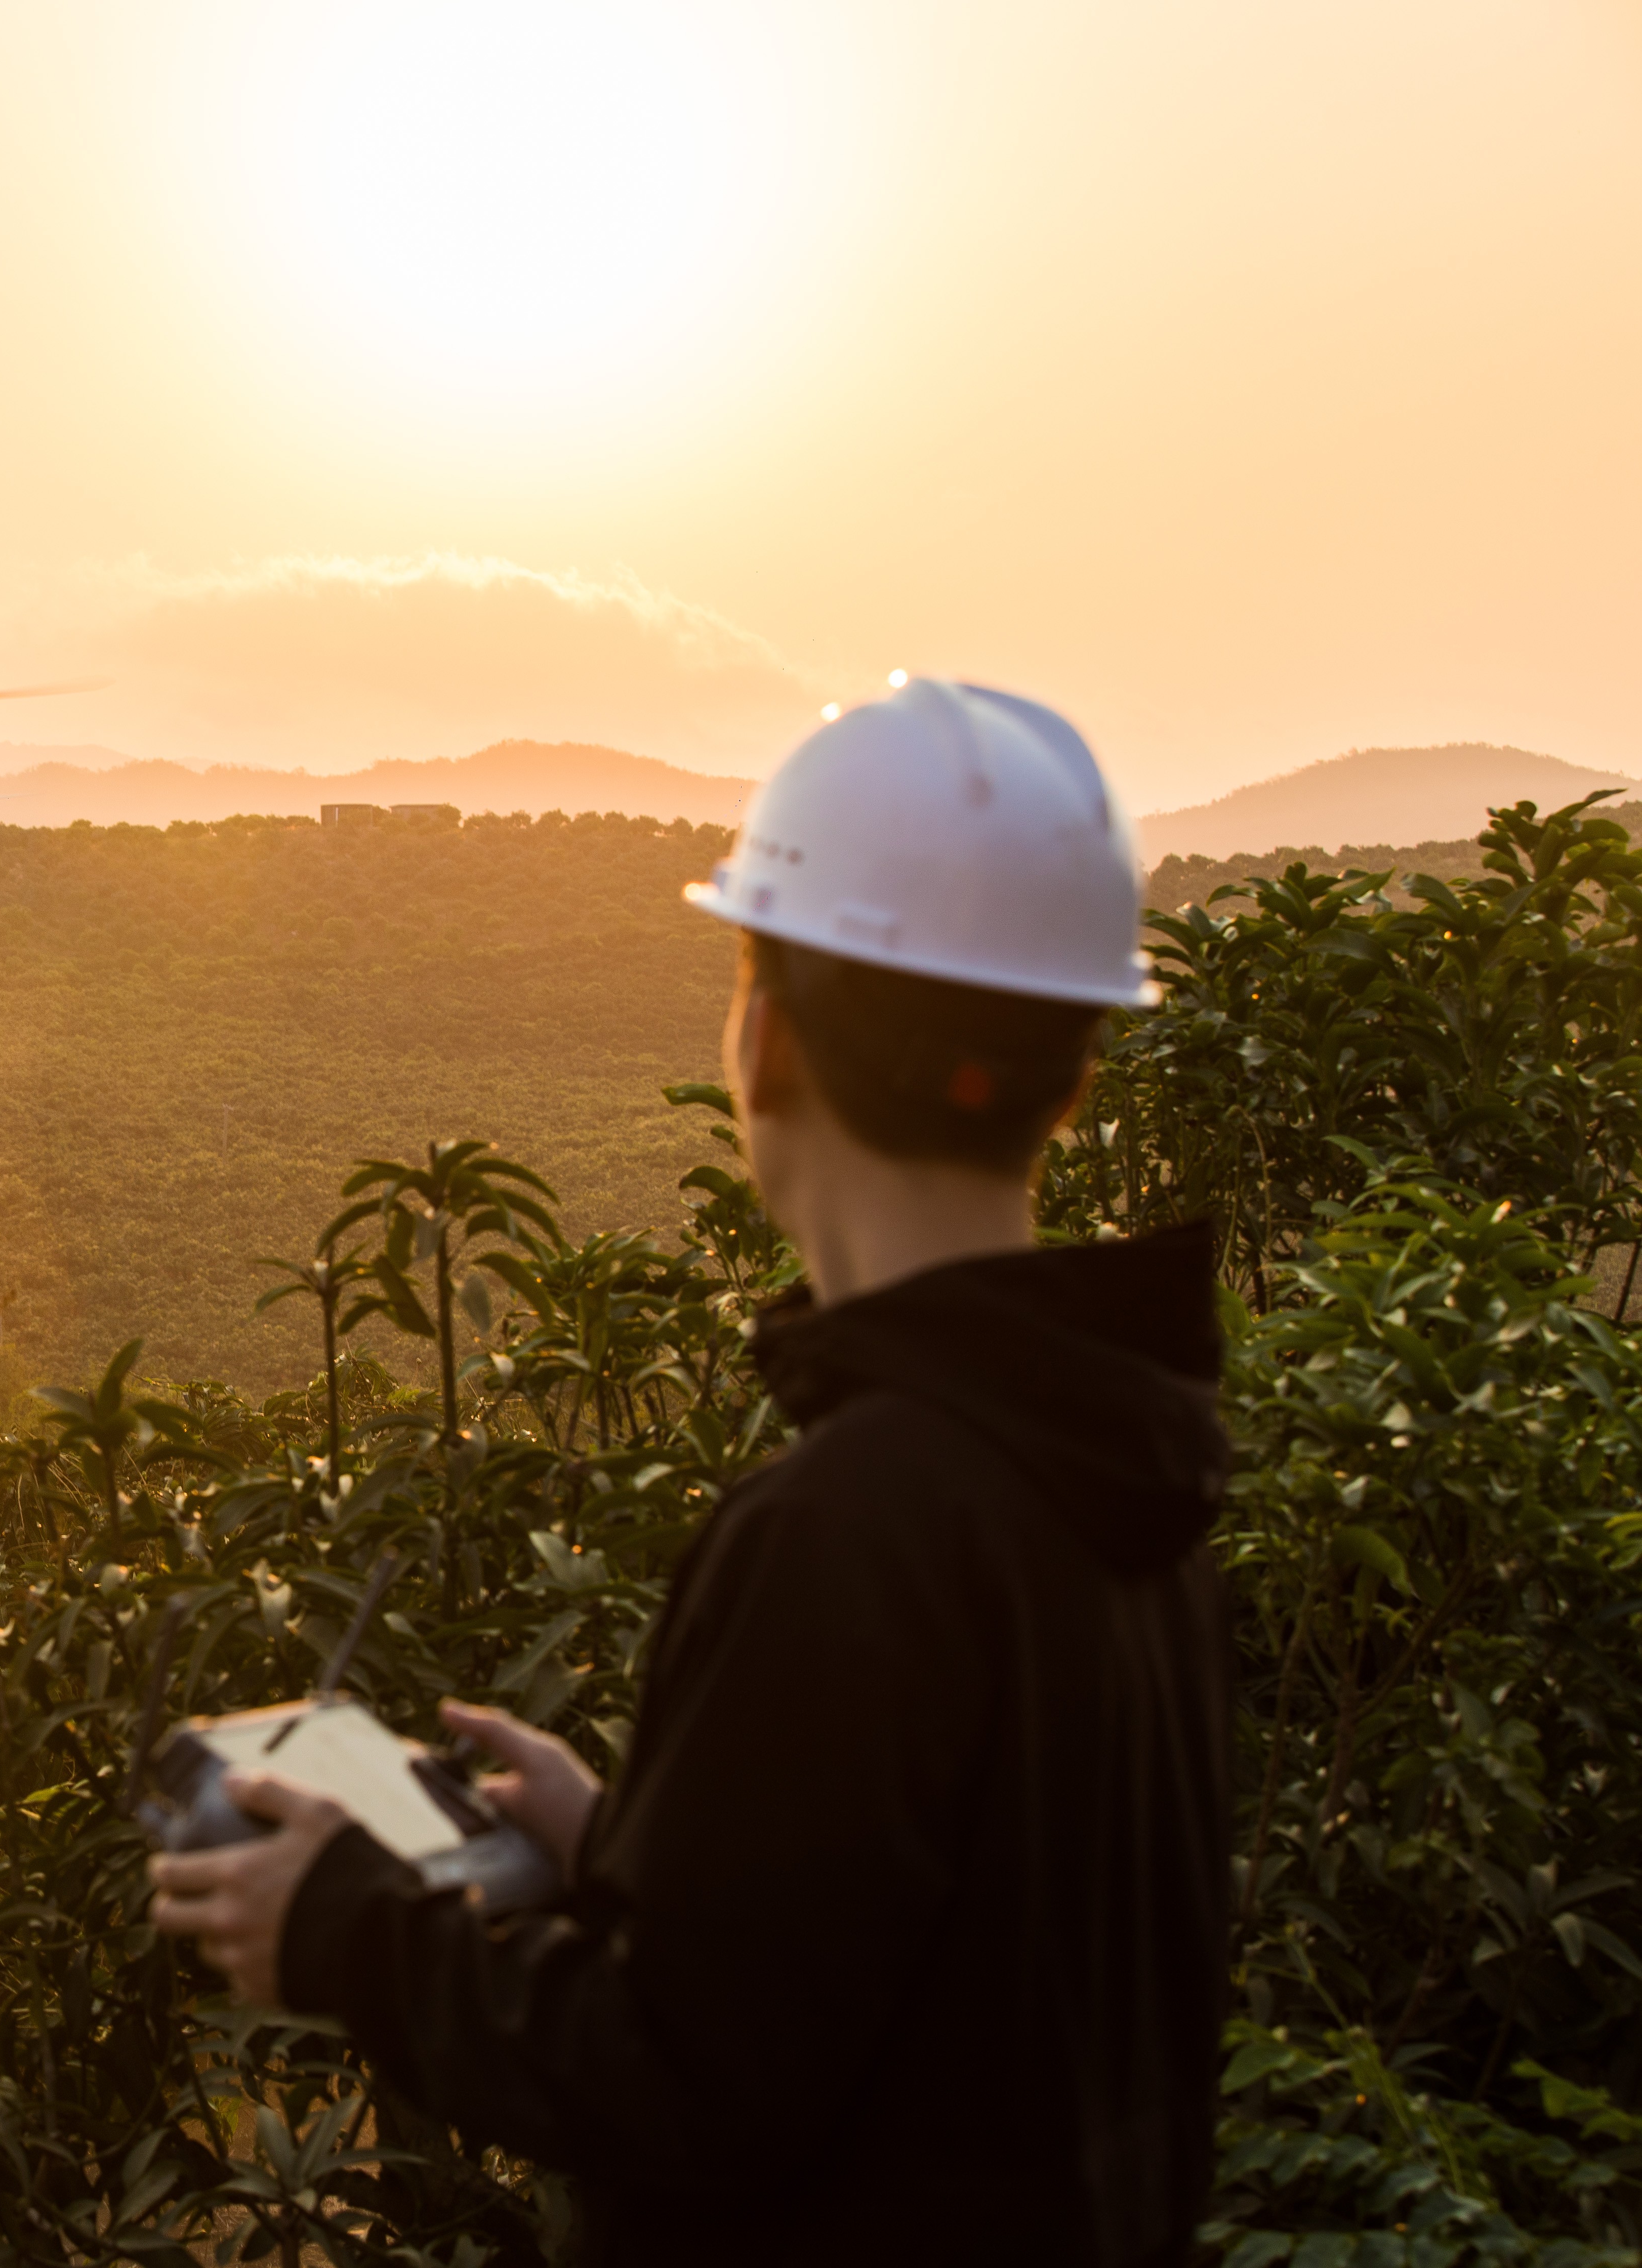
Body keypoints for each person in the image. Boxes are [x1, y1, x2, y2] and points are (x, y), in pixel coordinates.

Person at [148, 679, 1236, 2267]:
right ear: (1070, 1077)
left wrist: (349, 1932)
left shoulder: (862, 1523)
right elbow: (949, 1986)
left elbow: (682, 2090)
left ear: (766, 1039)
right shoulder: (1127, 1477)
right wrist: (634, 1851)